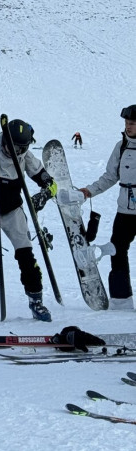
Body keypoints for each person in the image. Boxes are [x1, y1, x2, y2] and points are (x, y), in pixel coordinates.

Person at [0, 120, 57, 323]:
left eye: (19, 148)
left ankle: (36, 300)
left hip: (13, 211)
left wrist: (43, 195)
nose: (13, 152)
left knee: (26, 257)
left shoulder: (25, 157)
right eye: (10, 146)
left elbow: (50, 184)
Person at [77, 105, 136, 308]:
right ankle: (121, 301)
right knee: (117, 250)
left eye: (133, 124)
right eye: (127, 123)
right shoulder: (121, 147)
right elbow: (110, 176)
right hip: (125, 211)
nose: (129, 127)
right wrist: (89, 191)